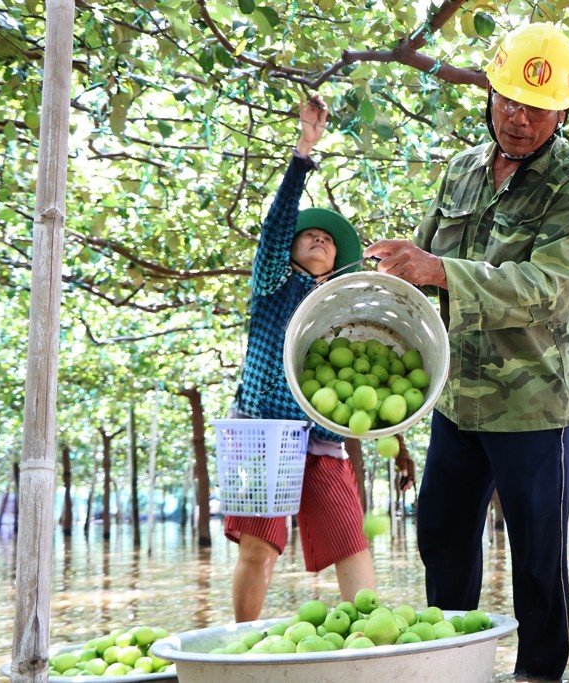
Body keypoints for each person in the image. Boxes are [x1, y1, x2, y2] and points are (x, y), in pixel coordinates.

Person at [364, 22, 569, 681]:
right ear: (489, 92)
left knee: (537, 561)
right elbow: (423, 262)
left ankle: (539, 674)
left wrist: (438, 269)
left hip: (532, 406)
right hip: (458, 399)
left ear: (564, 111)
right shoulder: (462, 169)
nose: (519, 119)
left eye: (537, 108)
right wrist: (391, 273)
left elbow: (544, 289)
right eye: (508, 101)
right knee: (440, 537)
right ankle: (450, 667)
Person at [225, 94, 375, 622]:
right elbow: (272, 231)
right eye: (308, 235)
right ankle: (243, 647)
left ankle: (369, 640)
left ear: (336, 263)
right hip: (261, 430)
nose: (318, 239)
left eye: (328, 242)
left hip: (321, 435)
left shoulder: (339, 308)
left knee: (350, 539)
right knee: (259, 546)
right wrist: (303, 152)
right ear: (289, 251)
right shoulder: (272, 284)